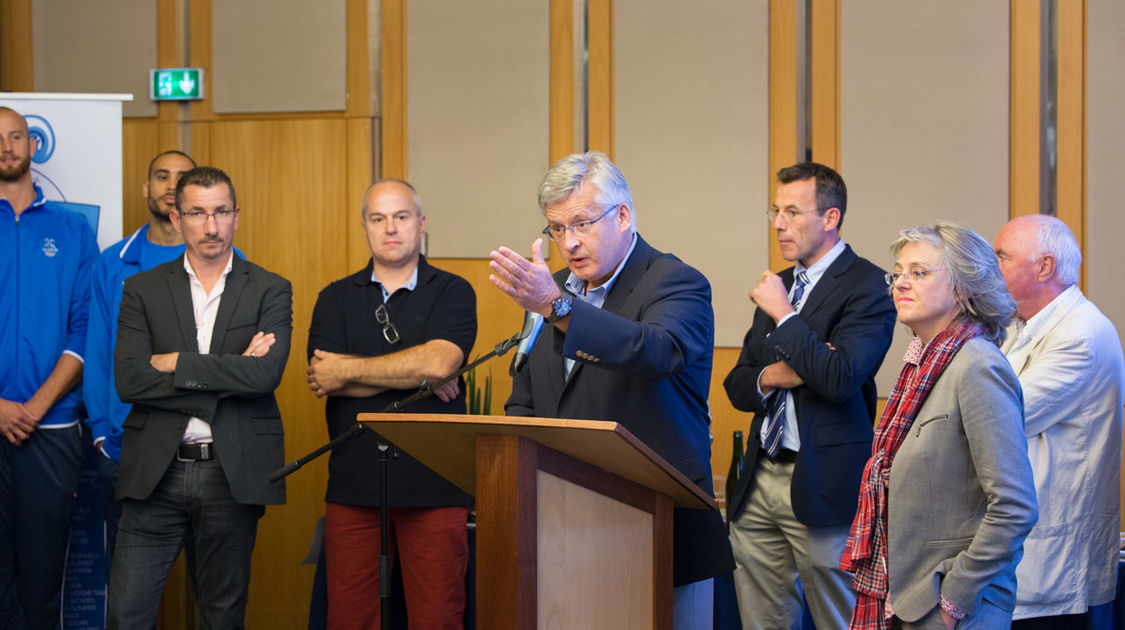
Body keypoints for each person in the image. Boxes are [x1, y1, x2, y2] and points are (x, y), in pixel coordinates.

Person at [489, 151, 734, 629]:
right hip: (565, 527)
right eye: (556, 229)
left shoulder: (676, 281)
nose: (569, 242)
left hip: (659, 523)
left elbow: (656, 351)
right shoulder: (552, 289)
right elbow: (528, 394)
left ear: (622, 215)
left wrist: (557, 307)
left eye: (581, 223)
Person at [107, 166, 292, 628]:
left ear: (236, 215)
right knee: (126, 613)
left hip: (231, 473)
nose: (211, 226)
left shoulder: (270, 288)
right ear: (176, 217)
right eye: (197, 213)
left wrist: (174, 362)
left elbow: (265, 375)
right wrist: (230, 372)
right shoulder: (141, 289)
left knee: (221, 616)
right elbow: (129, 381)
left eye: (221, 212)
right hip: (155, 472)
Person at [723, 162, 896, 630]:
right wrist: (780, 374)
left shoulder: (870, 286)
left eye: (793, 212)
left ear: (831, 217)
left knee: (840, 619)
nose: (779, 223)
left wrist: (784, 315)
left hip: (825, 481)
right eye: (776, 211)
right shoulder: (782, 282)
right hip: (760, 478)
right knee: (761, 620)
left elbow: (840, 379)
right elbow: (738, 384)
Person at [840, 222, 1037, 630]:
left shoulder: (977, 365)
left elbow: (1014, 507)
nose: (900, 284)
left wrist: (953, 599)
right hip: (908, 598)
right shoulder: (921, 365)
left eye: (919, 272)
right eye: (897, 273)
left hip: (955, 607)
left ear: (965, 288)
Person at [307, 178, 477, 629]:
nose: (390, 228)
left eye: (401, 217)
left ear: (421, 224)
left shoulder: (453, 291)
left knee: (437, 619)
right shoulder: (335, 298)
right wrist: (412, 376)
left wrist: (353, 368)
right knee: (349, 619)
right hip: (354, 482)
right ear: (365, 227)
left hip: (436, 482)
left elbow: (441, 364)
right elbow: (325, 375)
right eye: (378, 218)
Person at [994, 215, 1124, 629]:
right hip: (1024, 548)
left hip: (1053, 563)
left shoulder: (1080, 334)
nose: (989, 268)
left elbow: (1000, 417)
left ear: (1044, 267)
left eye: (1001, 257)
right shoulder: (1019, 326)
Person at [0, 105, 99, 629]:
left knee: (42, 586)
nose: (7, 146)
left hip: (53, 428)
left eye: (16, 136)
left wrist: (35, 406)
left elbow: (85, 329)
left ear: (32, 144)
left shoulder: (73, 230)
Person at [84, 149, 196, 579]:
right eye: (161, 176)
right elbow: (96, 350)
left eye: (182, 177)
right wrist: (98, 431)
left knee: (214, 591)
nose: (171, 185)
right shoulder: (113, 261)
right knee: (130, 590)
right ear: (145, 188)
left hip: (201, 448)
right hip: (124, 444)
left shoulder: (227, 261)